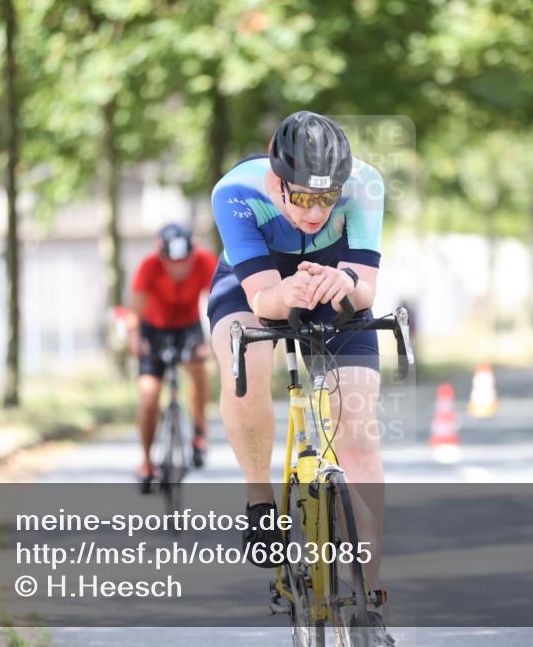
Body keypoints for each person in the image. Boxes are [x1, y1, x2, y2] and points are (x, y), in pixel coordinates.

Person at [208, 111, 393, 643]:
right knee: (246, 363)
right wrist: (285, 294)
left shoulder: (365, 184)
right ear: (277, 180)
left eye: (327, 199)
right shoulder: (235, 191)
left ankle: (370, 601)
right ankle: (260, 498)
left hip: (336, 286)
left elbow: (366, 288)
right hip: (255, 285)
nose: (315, 212)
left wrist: (342, 281)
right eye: (302, 198)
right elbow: (264, 298)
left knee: (357, 429)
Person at [127, 223, 216, 492]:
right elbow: (135, 312)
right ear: (162, 255)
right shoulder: (149, 266)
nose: (178, 269)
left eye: (184, 262)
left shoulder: (204, 262)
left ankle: (199, 433)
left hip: (188, 328)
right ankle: (146, 461)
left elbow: (216, 303)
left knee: (200, 372)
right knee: (149, 397)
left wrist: (211, 341)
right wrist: (135, 340)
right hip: (153, 330)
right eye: (172, 263)